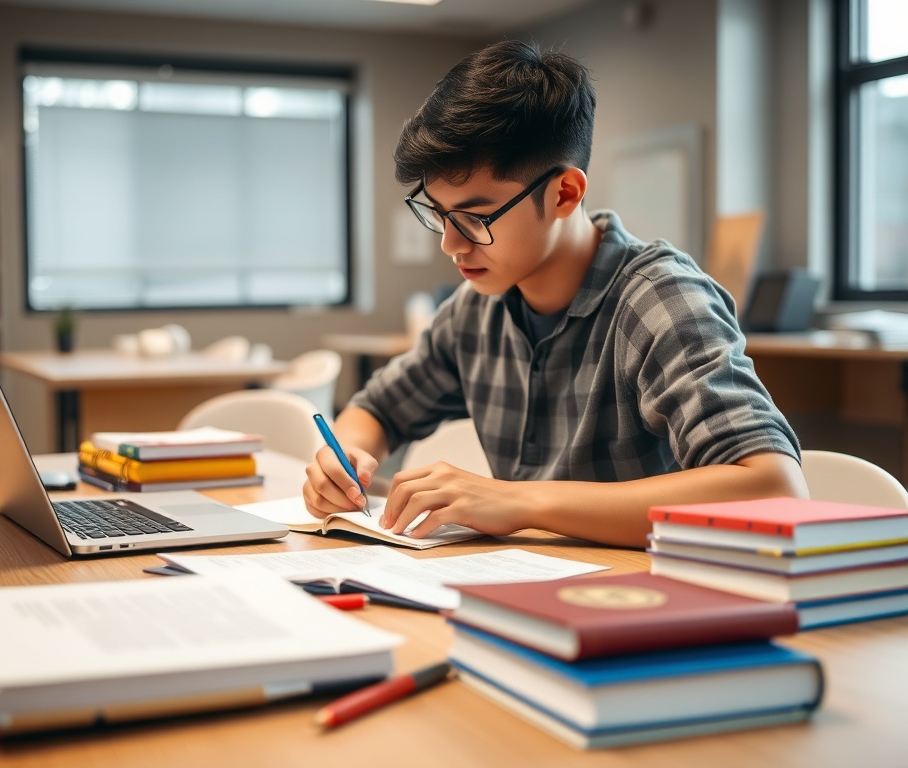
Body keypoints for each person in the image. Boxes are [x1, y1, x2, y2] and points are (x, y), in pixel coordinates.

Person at [303, 39, 806, 548]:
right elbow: (377, 410)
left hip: (648, 597)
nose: (450, 244)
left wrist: (519, 501)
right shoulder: (477, 311)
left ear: (565, 193)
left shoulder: (660, 301)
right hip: (520, 586)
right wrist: (342, 460)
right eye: (437, 213)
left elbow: (776, 490)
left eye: (475, 218)